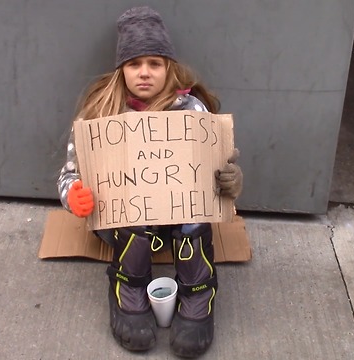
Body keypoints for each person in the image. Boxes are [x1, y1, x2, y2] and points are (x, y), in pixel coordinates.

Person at [57, 6, 243, 358]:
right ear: (121, 69)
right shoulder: (99, 114)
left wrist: (231, 180)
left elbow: (219, 171)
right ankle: (129, 287)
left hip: (180, 220)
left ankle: (198, 291)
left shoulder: (192, 111)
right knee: (134, 216)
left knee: (194, 219)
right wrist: (74, 195)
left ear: (168, 67)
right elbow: (69, 176)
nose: (144, 73)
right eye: (134, 64)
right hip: (124, 224)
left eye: (154, 64)